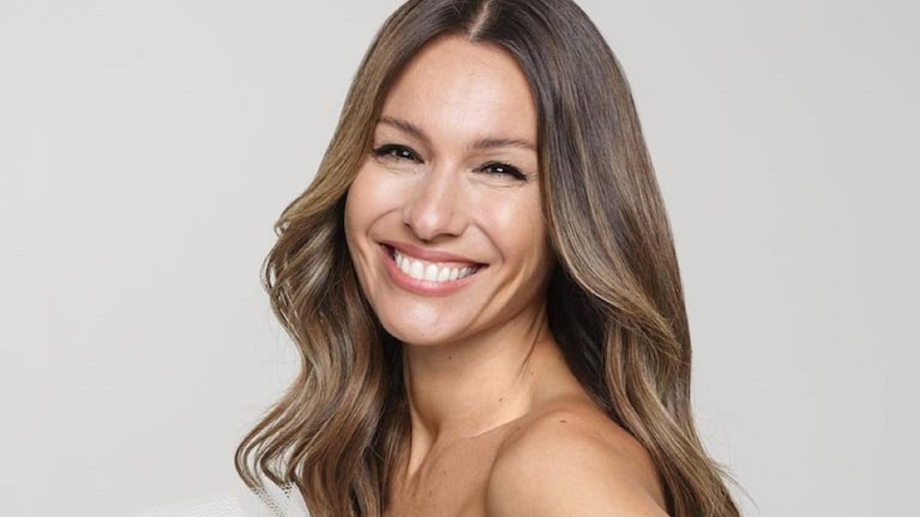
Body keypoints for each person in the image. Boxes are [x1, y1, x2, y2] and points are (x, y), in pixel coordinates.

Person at [234, 1, 742, 516]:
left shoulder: (557, 468)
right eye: (401, 152)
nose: (429, 218)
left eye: (498, 169)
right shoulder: (368, 448)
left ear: (574, 212)